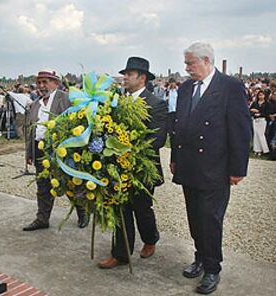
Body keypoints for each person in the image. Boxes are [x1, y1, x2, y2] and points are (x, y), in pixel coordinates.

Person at [170, 42, 251, 294]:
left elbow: (240, 129)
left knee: (211, 220)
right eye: (186, 63)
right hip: (189, 166)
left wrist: (238, 168)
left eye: (190, 63)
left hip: (215, 168)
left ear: (206, 60)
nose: (186, 68)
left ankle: (213, 268)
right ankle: (200, 258)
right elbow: (178, 128)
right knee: (194, 217)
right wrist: (174, 157)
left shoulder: (230, 87)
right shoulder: (185, 89)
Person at [98, 57, 167, 269]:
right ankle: (121, 253)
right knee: (120, 208)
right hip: (117, 166)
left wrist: (127, 146)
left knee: (142, 208)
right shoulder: (117, 101)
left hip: (141, 169)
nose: (124, 78)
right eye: (124, 74)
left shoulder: (156, 104)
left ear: (142, 77)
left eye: (129, 74)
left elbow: (158, 139)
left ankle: (150, 238)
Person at [23, 69, 88, 231]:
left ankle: (82, 212)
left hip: (62, 151)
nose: (41, 86)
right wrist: (29, 153)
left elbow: (80, 120)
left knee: (71, 183)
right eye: (39, 82)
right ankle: (42, 219)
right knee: (43, 186)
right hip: (40, 151)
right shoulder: (35, 104)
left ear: (55, 83)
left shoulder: (66, 99)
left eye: (45, 82)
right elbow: (30, 131)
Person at [250, 90, 270, 156]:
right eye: (259, 95)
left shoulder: (267, 103)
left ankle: (265, 150)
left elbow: (267, 113)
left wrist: (260, 114)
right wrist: (254, 112)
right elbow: (250, 110)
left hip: (262, 120)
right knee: (256, 135)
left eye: (262, 95)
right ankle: (256, 150)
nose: (261, 96)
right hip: (255, 120)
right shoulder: (255, 103)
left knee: (261, 134)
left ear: (264, 96)